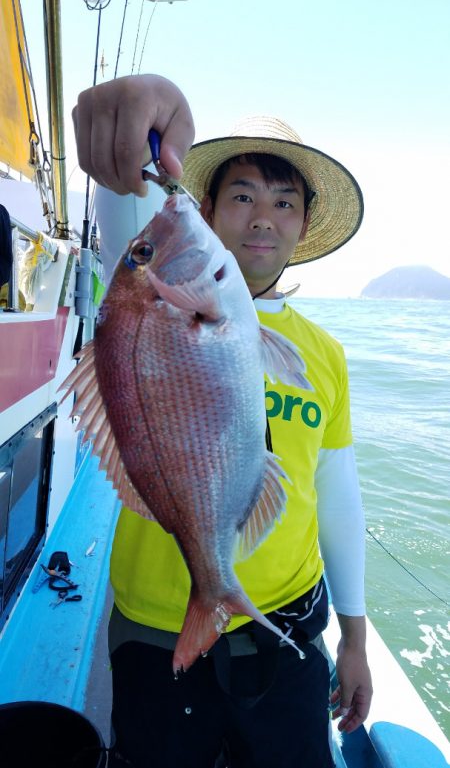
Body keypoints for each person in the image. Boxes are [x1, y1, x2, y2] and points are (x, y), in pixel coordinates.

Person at [73, 74, 373, 768]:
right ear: (204, 208)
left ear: (302, 224)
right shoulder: (154, 296)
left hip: (288, 625)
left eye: (283, 202)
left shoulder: (323, 354)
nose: (262, 217)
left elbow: (338, 498)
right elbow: (129, 217)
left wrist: (354, 638)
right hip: (156, 626)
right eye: (241, 196)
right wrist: (139, 122)